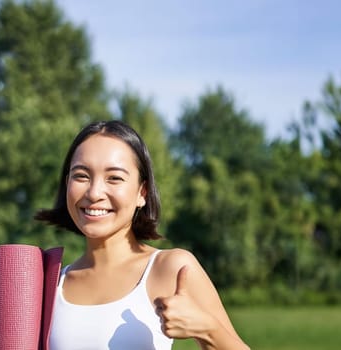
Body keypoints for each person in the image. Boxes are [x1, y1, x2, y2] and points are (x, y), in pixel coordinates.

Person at [35, 120, 250, 350]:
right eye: (81, 176)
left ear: (142, 192)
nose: (94, 192)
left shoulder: (171, 268)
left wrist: (208, 330)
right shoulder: (51, 285)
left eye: (114, 178)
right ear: (67, 183)